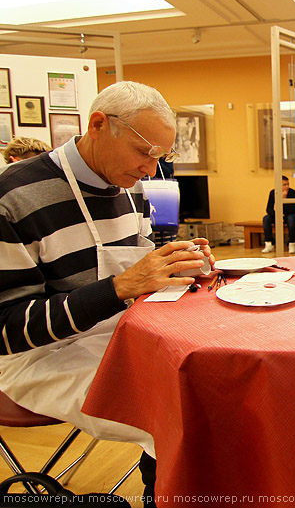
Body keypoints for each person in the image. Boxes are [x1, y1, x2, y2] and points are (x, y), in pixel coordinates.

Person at [0, 81, 214, 507]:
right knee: (181, 417)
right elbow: (6, 330)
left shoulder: (128, 185)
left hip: (117, 334)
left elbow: (137, 259)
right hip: (40, 357)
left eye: (162, 157)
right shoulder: (14, 198)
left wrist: (172, 262)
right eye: (145, 153)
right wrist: (119, 288)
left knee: (207, 387)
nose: (151, 171)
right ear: (99, 125)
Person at [261, 175, 295, 253]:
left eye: (288, 184)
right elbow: (269, 208)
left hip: (291, 214)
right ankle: (269, 243)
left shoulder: (292, 192)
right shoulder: (273, 193)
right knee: (266, 218)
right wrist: (277, 214)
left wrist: (284, 200)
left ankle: (291, 243)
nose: (287, 186)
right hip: (277, 214)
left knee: (291, 219)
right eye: (284, 185)